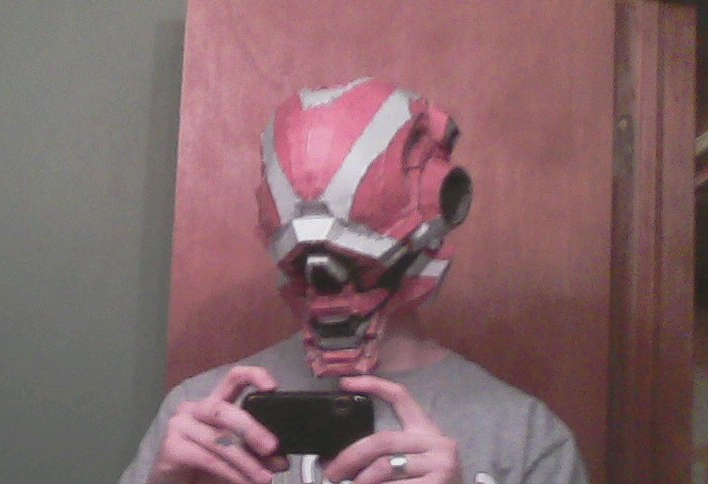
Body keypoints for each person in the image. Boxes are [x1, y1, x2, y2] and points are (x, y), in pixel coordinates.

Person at [120, 78, 588, 484]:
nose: (327, 281)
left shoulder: (525, 438)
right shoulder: (201, 419)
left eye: (353, 259)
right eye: (306, 263)